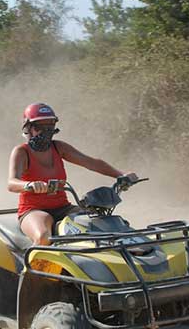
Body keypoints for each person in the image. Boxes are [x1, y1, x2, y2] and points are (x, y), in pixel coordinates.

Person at [8, 103, 138, 246]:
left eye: (49, 126)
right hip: (33, 210)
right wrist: (29, 185)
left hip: (63, 207)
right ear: (28, 128)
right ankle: (30, 267)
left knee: (100, 226)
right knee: (44, 237)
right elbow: (12, 183)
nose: (45, 131)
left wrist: (121, 175)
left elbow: (91, 163)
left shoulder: (59, 147)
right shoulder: (21, 152)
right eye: (40, 126)